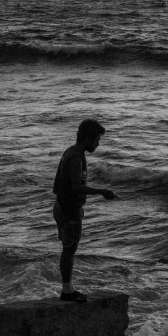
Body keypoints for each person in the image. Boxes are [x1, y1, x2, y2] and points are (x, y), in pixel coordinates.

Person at [53, 118, 116, 301]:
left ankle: (68, 289)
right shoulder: (76, 159)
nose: (97, 144)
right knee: (69, 250)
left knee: (69, 249)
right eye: (96, 140)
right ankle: (67, 291)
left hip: (62, 207)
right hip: (68, 210)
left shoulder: (71, 152)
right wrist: (101, 191)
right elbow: (75, 187)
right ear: (87, 138)